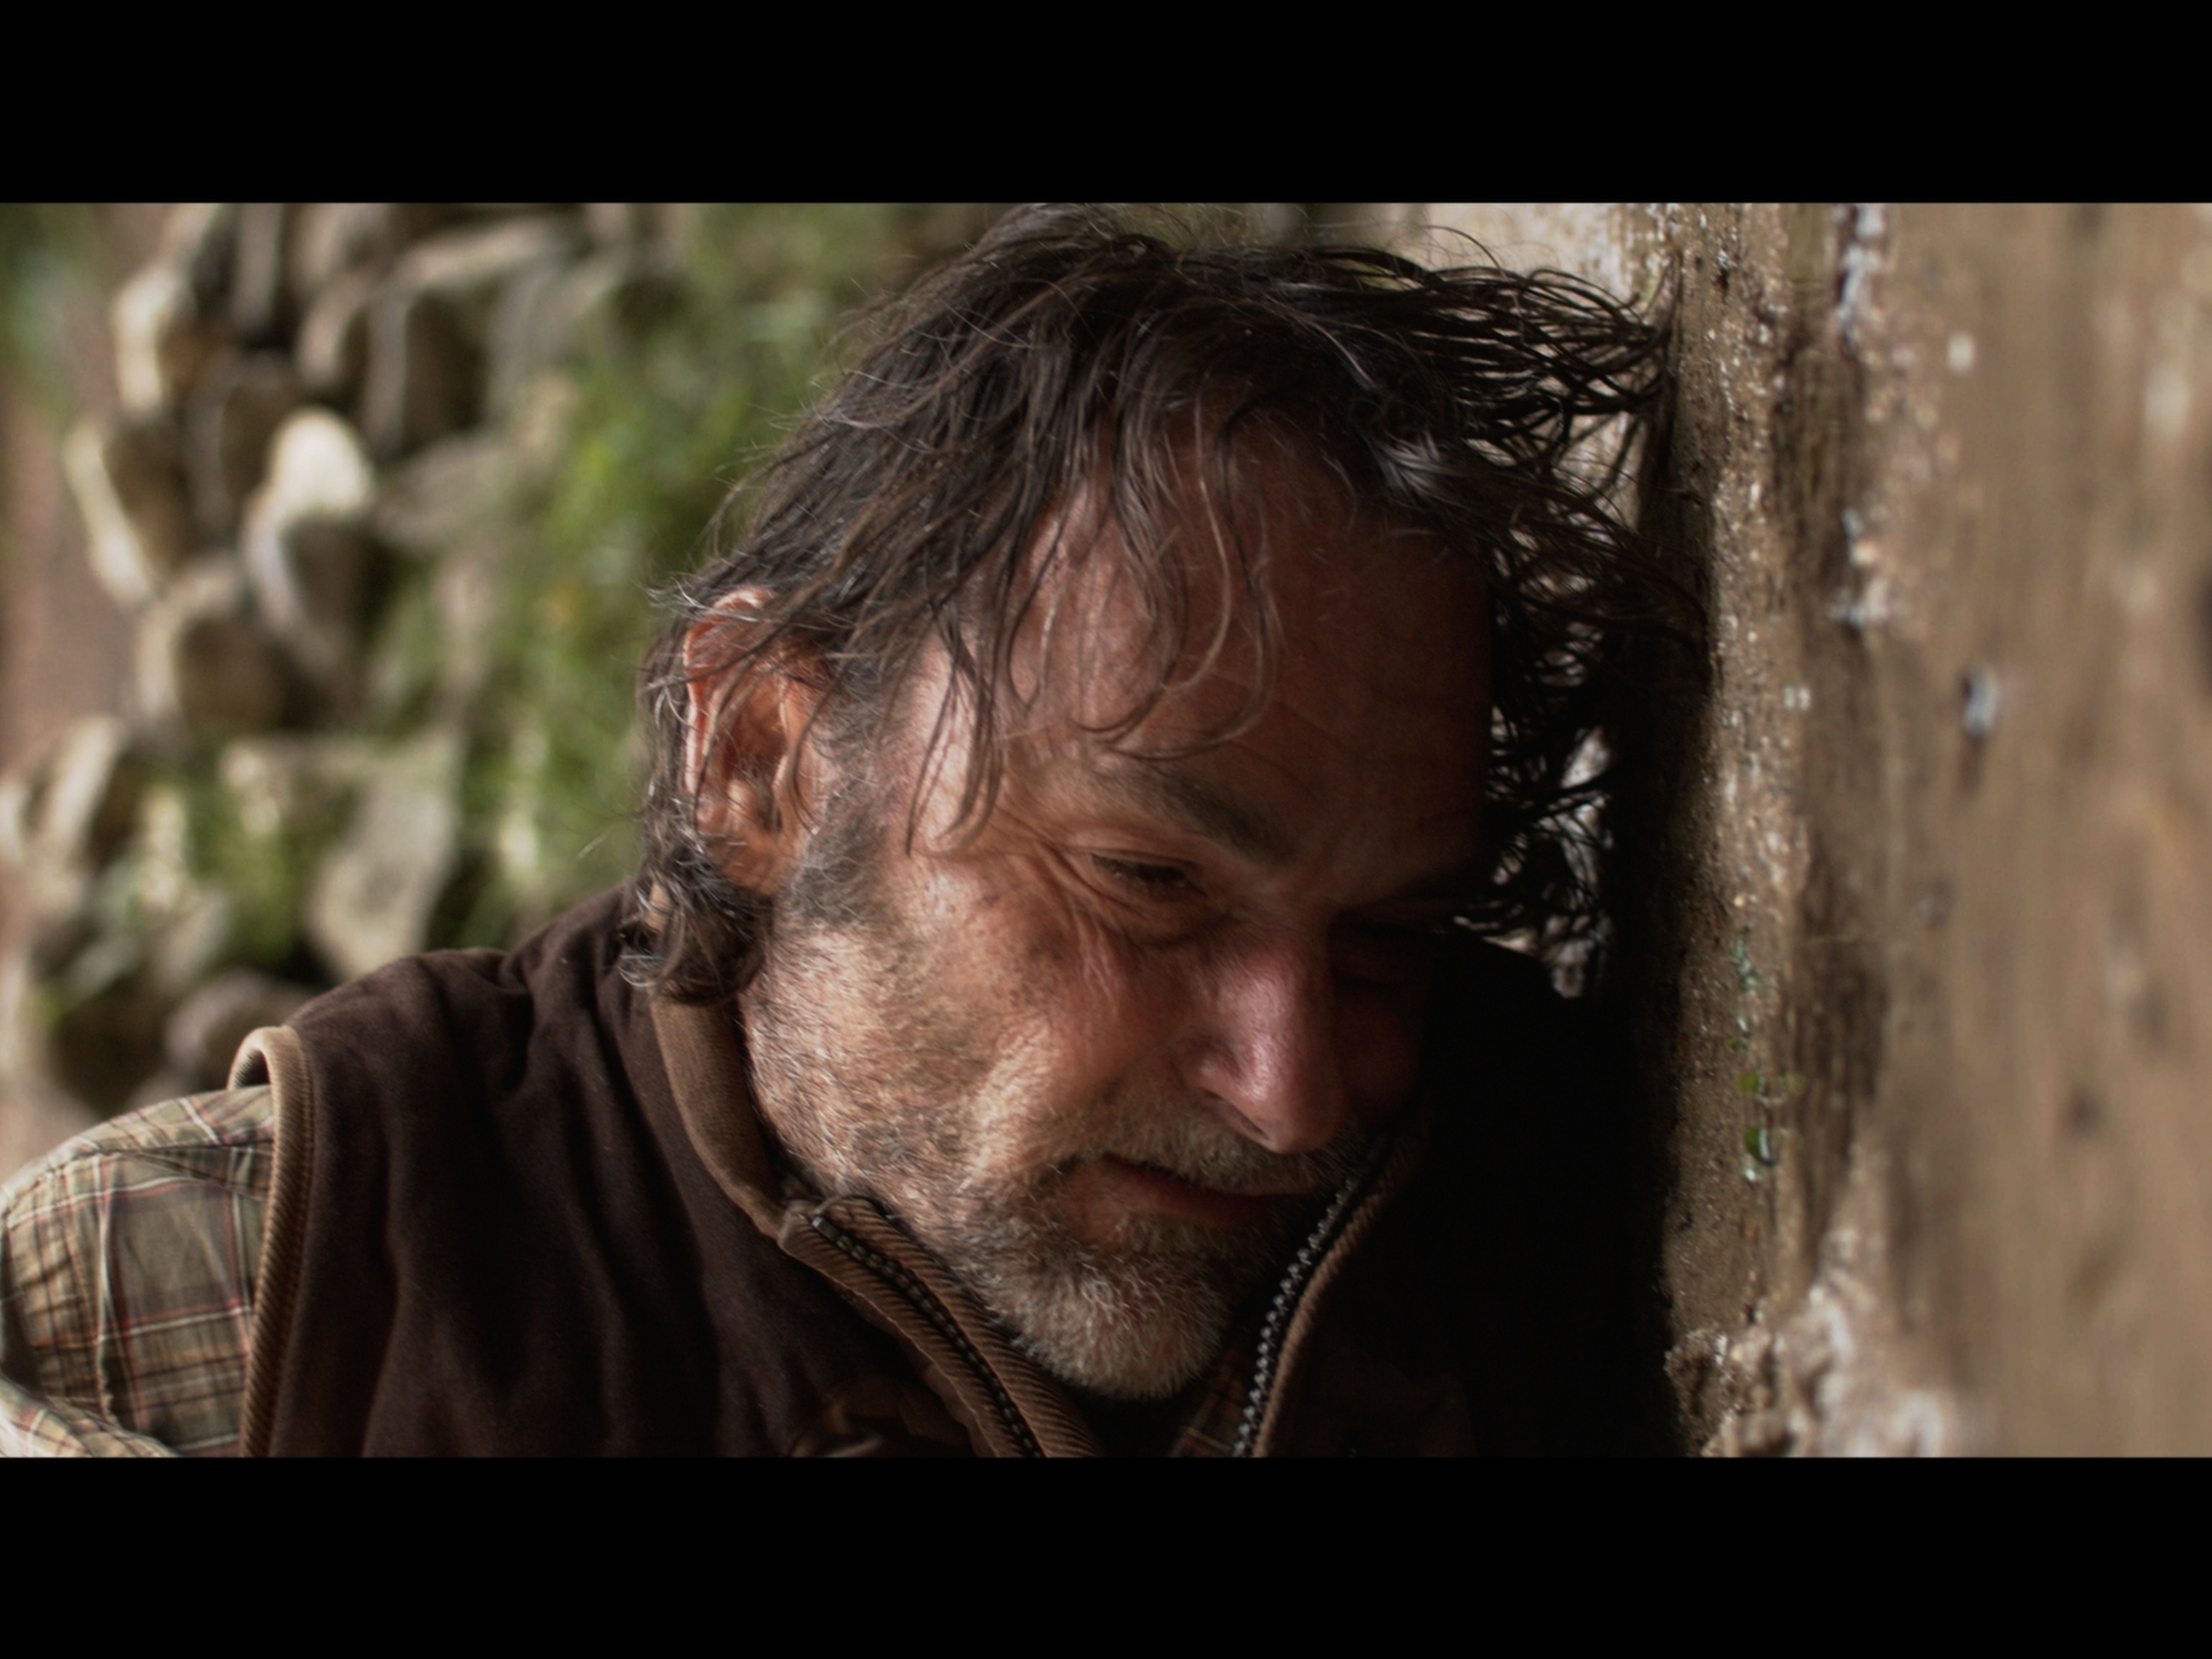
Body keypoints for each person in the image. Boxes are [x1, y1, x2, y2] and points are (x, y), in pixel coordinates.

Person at [0, 207, 1677, 1456]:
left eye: (1385, 940)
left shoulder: (1537, 1189)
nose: (1296, 1091)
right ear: (762, 755)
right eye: (1148, 882)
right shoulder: (224, 1302)